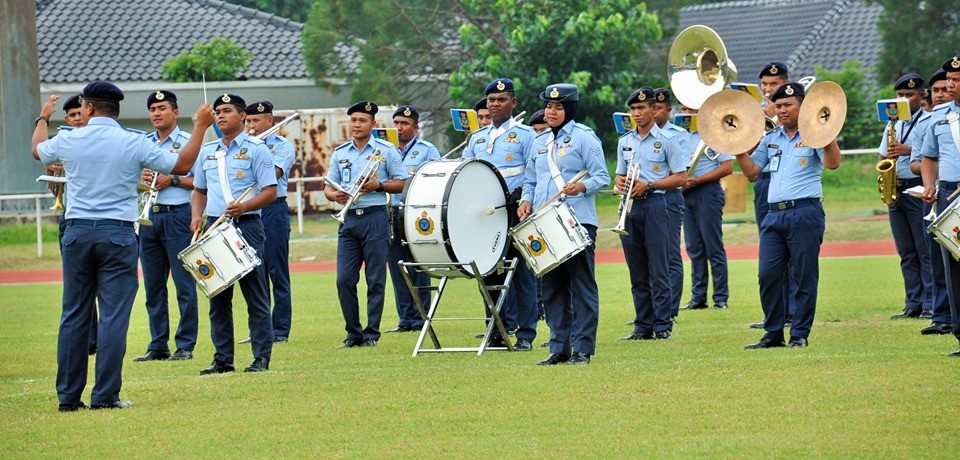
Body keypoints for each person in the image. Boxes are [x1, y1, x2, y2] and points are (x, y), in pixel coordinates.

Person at [32, 81, 213, 411]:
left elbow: (38, 150)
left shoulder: (70, 138)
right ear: (116, 109)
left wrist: (43, 118)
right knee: (113, 317)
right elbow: (181, 165)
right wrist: (200, 126)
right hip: (117, 234)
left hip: (76, 232)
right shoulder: (132, 142)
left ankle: (69, 399)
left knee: (73, 314)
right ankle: (105, 396)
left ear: (88, 108)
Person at [736, 81, 842, 349]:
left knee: (804, 275)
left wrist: (826, 131)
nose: (781, 110)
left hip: (805, 212)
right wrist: (736, 146)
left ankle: (799, 334)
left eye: (787, 105)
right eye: (778, 105)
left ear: (803, 106)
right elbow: (751, 173)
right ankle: (773, 333)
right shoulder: (771, 138)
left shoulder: (815, 135)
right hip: (773, 215)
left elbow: (833, 163)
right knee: (767, 274)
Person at [518, 83, 609, 365]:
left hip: (576, 220)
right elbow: (531, 180)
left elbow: (601, 176)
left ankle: (582, 348)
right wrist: (525, 200)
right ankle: (559, 348)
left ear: (569, 109)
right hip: (544, 222)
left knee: (582, 285)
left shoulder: (584, 138)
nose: (551, 111)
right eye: (548, 106)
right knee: (552, 288)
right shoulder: (539, 141)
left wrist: (581, 186)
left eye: (557, 107)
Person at [191, 93, 278, 374]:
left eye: (227, 110)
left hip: (247, 226)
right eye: (217, 112)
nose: (220, 115)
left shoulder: (257, 149)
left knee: (256, 294)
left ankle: (261, 356)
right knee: (218, 297)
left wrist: (245, 207)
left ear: (242, 116)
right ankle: (223, 359)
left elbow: (270, 192)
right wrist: (196, 216)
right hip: (216, 228)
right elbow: (200, 190)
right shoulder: (208, 151)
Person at [463, 78, 539, 351]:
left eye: (501, 100)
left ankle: (526, 334)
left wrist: (524, 199)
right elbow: (467, 174)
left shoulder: (526, 135)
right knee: (488, 271)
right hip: (485, 215)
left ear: (513, 103)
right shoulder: (477, 138)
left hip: (516, 210)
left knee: (521, 274)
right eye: (491, 101)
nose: (494, 105)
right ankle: (497, 329)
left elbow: (533, 174)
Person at [324, 101, 406, 348]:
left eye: (362, 121)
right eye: (353, 121)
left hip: (375, 216)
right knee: (344, 279)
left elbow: (402, 182)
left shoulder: (386, 150)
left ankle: (371, 333)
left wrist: (378, 186)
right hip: (349, 218)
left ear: (373, 124)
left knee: (375, 278)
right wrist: (333, 196)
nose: (356, 125)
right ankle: (353, 332)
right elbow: (328, 185)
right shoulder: (341, 153)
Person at [132, 90, 200, 362]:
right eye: (152, 109)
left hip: (178, 216)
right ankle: (158, 344)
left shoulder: (187, 143)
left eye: (162, 108)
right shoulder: (143, 144)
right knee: (153, 286)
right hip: (149, 218)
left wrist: (170, 179)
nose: (156, 113)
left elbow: (200, 182)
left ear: (175, 112)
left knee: (184, 284)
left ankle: (185, 344)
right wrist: (142, 176)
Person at [616, 87, 686, 342]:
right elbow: (618, 175)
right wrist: (620, 183)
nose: (637, 113)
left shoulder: (668, 140)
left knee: (659, 266)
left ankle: (662, 324)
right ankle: (642, 325)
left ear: (653, 109)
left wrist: (651, 185)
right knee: (637, 268)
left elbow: (681, 177)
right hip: (630, 206)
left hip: (656, 203)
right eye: (633, 109)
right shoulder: (625, 141)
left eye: (642, 108)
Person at [46, 94, 98, 356]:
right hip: (69, 217)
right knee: (77, 285)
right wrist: (55, 171)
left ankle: (97, 339)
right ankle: (88, 340)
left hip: (96, 218)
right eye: (72, 116)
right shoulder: (62, 142)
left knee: (102, 283)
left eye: (81, 113)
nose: (78, 119)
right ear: (67, 119)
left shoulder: (99, 142)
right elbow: (54, 187)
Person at [748, 61, 798, 329]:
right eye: (765, 85)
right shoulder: (758, 113)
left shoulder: (792, 114)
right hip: (763, 182)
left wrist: (776, 116)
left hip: (788, 185)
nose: (768, 90)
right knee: (771, 253)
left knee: (791, 252)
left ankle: (792, 311)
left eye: (774, 85)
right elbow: (750, 149)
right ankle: (774, 314)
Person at [880, 75, 933, 321]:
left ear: (922, 95)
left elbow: (933, 154)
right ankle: (912, 303)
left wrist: (908, 150)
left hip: (918, 188)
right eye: (899, 95)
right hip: (896, 189)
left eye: (909, 95)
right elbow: (882, 157)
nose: (903, 99)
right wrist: (884, 171)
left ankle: (931, 303)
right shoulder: (893, 124)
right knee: (906, 251)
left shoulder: (927, 121)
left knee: (924, 249)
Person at [243, 101, 296, 343]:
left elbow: (270, 175)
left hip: (274, 209)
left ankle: (280, 330)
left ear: (269, 121)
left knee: (277, 271)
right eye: (248, 121)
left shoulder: (283, 147)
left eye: (256, 121)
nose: (251, 126)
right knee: (254, 273)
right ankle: (258, 330)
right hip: (250, 211)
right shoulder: (243, 146)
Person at [385, 105, 439, 333]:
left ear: (416, 127)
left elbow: (436, 178)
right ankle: (405, 319)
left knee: (418, 265)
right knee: (397, 267)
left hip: (416, 213)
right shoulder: (385, 150)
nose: (399, 128)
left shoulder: (427, 150)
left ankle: (421, 317)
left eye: (404, 124)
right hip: (391, 212)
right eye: (396, 123)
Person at [920, 53, 960, 355]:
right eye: (951, 81)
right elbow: (929, 156)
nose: (952, 85)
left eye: (958, 81)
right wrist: (931, 183)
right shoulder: (940, 115)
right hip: (948, 194)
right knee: (953, 268)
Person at [913, 68, 954, 334]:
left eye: (952, 83)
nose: (945, 90)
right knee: (944, 260)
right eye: (938, 89)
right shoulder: (935, 119)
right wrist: (930, 184)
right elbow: (923, 159)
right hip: (945, 192)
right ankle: (946, 319)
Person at [681, 107, 734, 310]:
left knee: (713, 246)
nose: (686, 111)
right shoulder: (681, 135)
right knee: (694, 248)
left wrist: (698, 180)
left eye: (690, 108)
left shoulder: (713, 133)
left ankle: (720, 297)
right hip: (686, 193)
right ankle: (698, 297)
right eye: (683, 107)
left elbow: (727, 167)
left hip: (707, 192)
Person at [651, 88, 690, 318]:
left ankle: (670, 310)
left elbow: (678, 169)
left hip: (669, 196)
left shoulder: (678, 135)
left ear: (668, 109)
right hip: (646, 197)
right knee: (650, 255)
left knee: (670, 254)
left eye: (658, 108)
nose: (654, 113)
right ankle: (652, 310)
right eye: (651, 108)